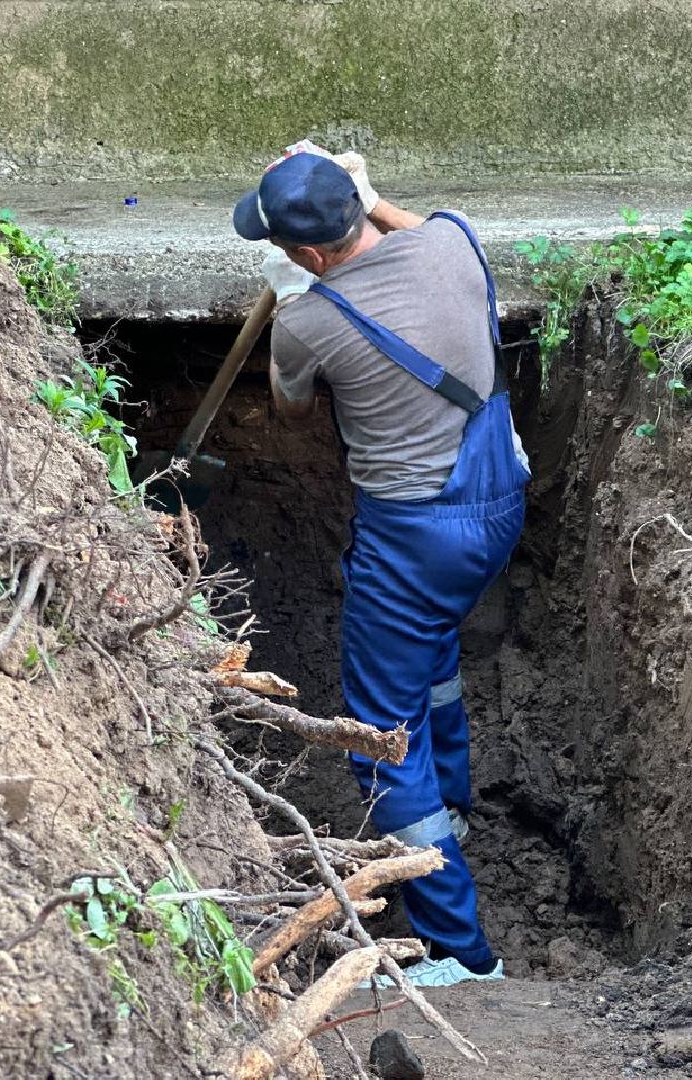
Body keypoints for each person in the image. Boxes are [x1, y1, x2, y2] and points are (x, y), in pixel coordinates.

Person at [232, 145, 530, 988]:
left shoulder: (310, 319)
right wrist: (361, 192)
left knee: (382, 739)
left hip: (414, 535)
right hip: (497, 497)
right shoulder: (451, 243)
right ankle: (454, 814)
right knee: (431, 657)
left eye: (291, 251)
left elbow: (291, 411)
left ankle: (462, 954)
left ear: (311, 254)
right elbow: (410, 222)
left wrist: (301, 296)